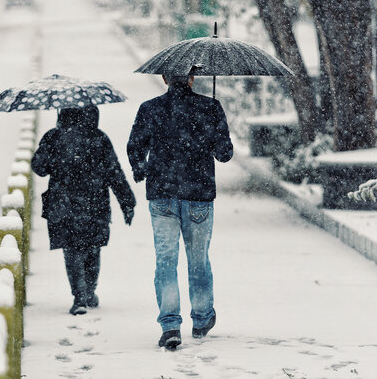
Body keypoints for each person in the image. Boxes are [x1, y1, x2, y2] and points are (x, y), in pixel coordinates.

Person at [127, 74, 233, 349]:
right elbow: (224, 153)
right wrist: (210, 133)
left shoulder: (150, 108)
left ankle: (171, 325)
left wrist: (142, 169)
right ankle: (201, 319)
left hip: (163, 194)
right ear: (192, 78)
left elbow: (135, 147)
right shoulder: (210, 107)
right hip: (198, 194)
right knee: (198, 261)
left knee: (166, 261)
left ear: (164, 78)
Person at [32, 105, 136, 315]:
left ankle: (78, 296)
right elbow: (114, 172)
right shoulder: (99, 138)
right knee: (92, 247)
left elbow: (39, 168)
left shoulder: (54, 137)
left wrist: (53, 150)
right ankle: (89, 291)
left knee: (72, 250)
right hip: (95, 203)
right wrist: (127, 201)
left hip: (63, 204)